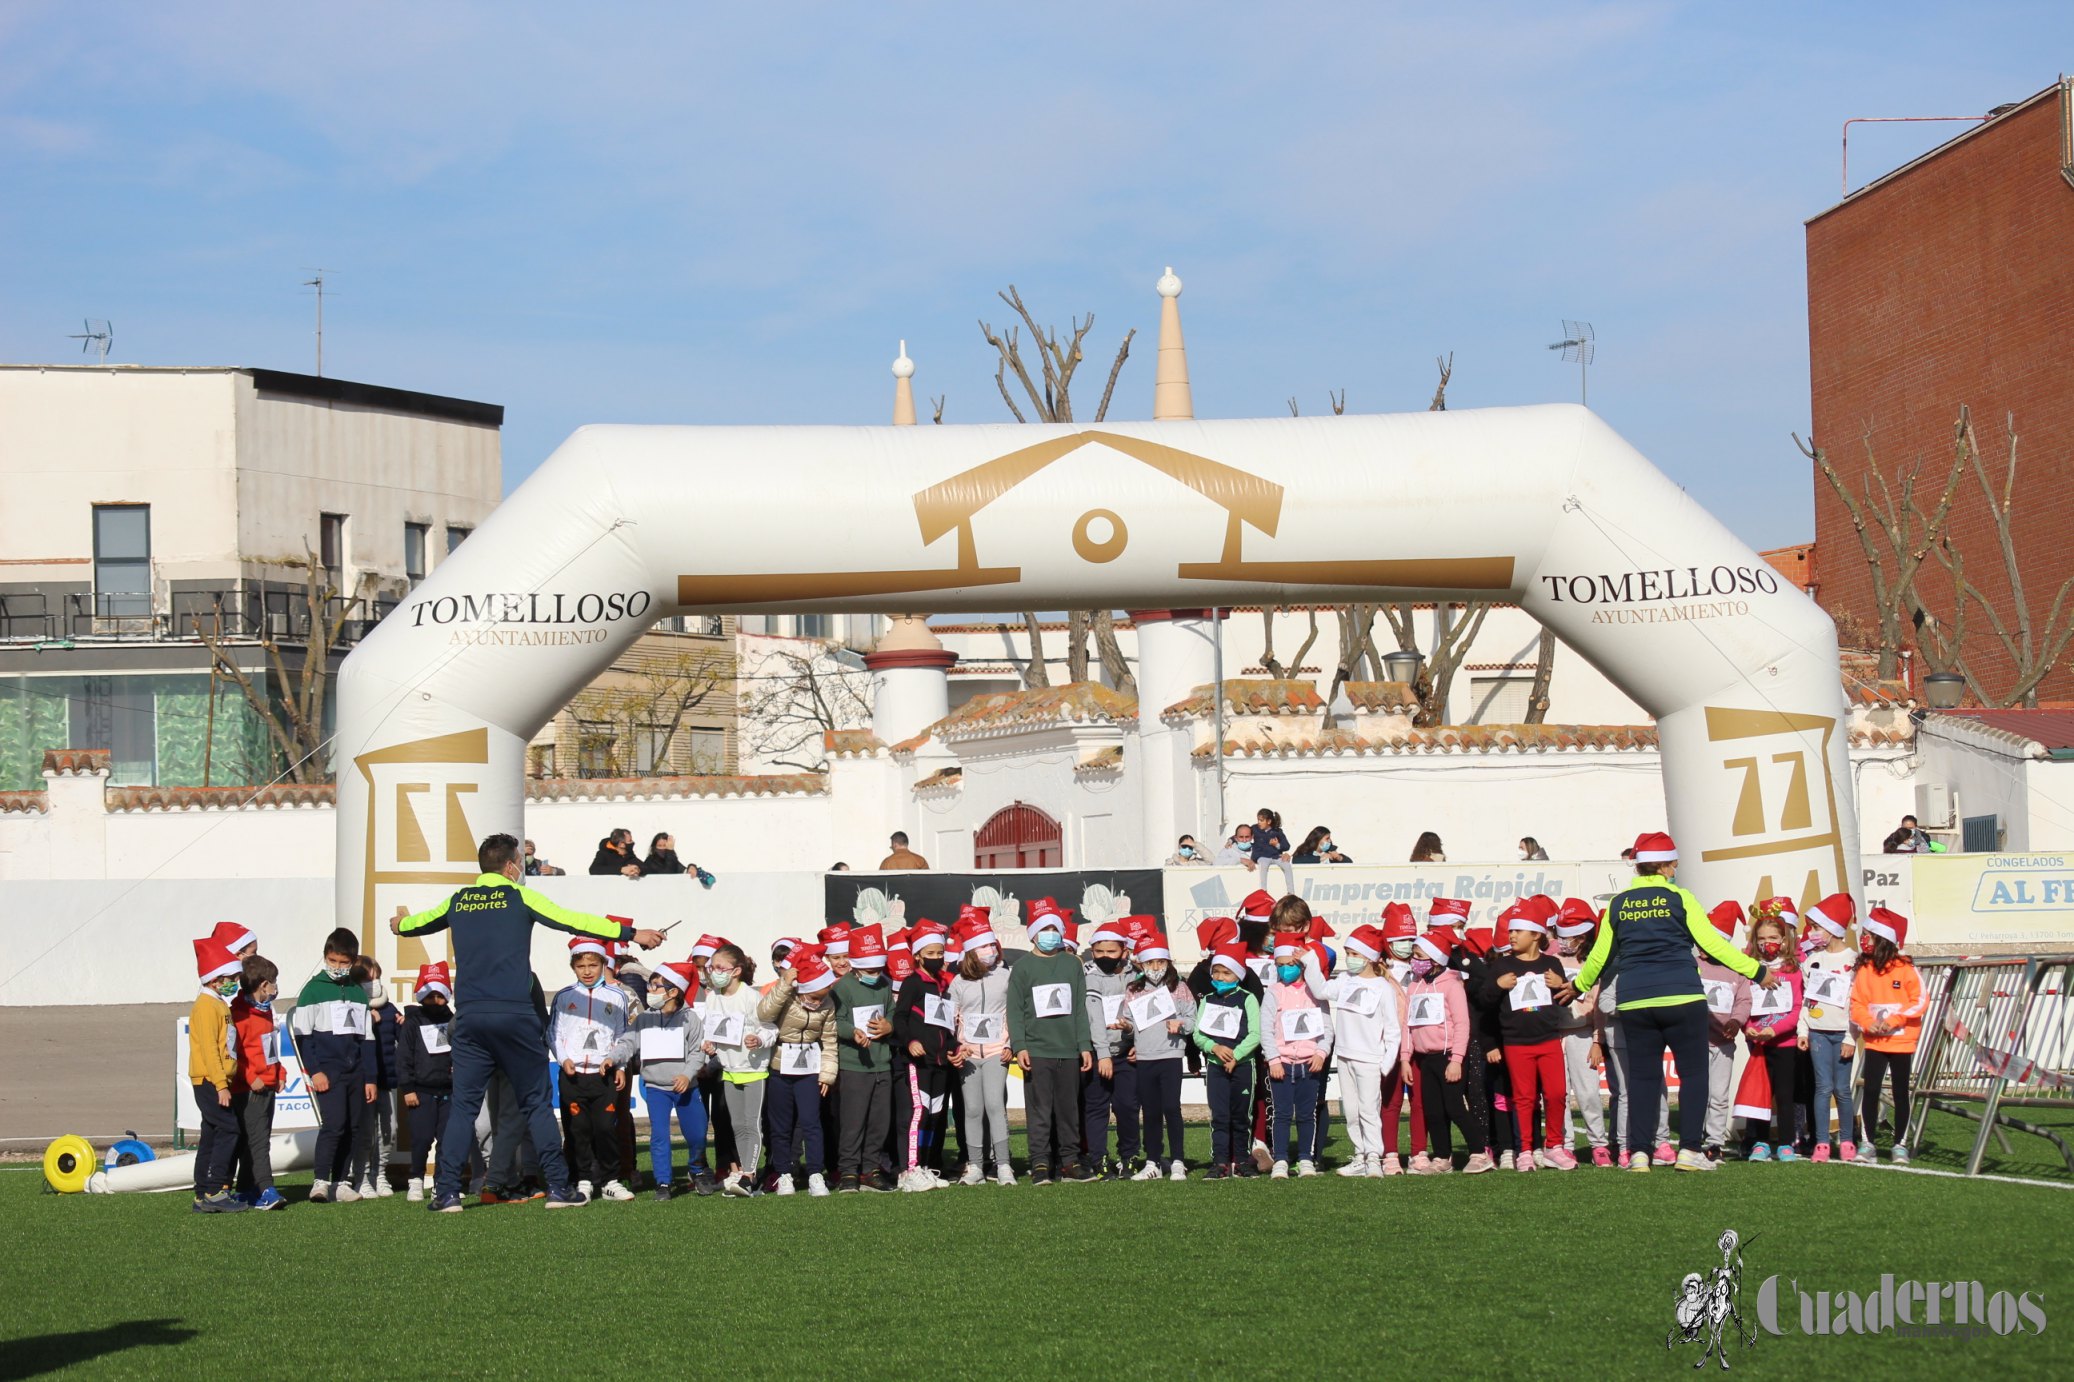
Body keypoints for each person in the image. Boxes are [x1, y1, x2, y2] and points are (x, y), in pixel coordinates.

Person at [393, 832, 665, 1212]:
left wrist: (401, 921)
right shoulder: (519, 896)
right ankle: (557, 1188)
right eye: (519, 862)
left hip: (470, 1018)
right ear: (510, 866)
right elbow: (572, 921)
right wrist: (632, 933)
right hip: (516, 1016)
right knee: (536, 1103)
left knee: (464, 1108)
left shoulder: (458, 900)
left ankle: (448, 1193)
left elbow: (408, 926)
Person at [1570, 831, 1776, 1173]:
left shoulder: (1617, 905)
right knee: (1695, 1075)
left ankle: (1638, 1154)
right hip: (1682, 996)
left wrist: (1578, 984)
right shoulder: (1681, 898)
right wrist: (1756, 971)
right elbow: (1715, 945)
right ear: (1668, 865)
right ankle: (1690, 1151)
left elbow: (1599, 957)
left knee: (1643, 1079)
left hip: (1635, 1001)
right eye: (1674, 863)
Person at [1482, 904, 1575, 1171]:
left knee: (1557, 1094)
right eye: (1510, 931)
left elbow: (1565, 999)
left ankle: (1554, 1147)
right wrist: (1498, 987)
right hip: (1516, 1042)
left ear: (1535, 935)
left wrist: (1560, 985)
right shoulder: (1502, 964)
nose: (1511, 936)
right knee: (1524, 1098)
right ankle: (1524, 1150)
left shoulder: (1551, 963)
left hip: (1548, 1040)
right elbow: (1483, 1002)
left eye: (1518, 931)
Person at [1007, 904, 1095, 1184]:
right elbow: (1015, 1010)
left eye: (1055, 929)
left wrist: (1084, 1045)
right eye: (1045, 929)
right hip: (1037, 1051)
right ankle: (1041, 1163)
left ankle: (1069, 1162)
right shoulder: (1022, 968)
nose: (1050, 934)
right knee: (1039, 1111)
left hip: (1069, 1051)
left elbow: (1080, 1008)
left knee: (1069, 1110)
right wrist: (1020, 1046)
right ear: (1033, 934)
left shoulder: (1072, 964)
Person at [291, 927, 377, 1203]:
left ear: (353, 961)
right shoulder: (313, 991)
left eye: (344, 963)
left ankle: (341, 1182)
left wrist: (370, 1077)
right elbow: (303, 1037)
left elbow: (367, 1039)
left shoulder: (357, 993)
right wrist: (315, 1071)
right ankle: (320, 1181)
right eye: (333, 961)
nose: (338, 967)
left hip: (356, 1070)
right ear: (325, 957)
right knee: (333, 1125)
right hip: (327, 1069)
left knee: (353, 1127)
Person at [550, 938, 638, 1201]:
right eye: (581, 966)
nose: (587, 971)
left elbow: (623, 1034)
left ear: (604, 964)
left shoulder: (617, 996)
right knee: (578, 1130)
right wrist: (563, 1058)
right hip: (573, 1075)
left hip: (604, 1075)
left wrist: (619, 1063)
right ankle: (583, 1180)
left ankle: (611, 1180)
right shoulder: (565, 997)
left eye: (593, 965)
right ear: (573, 968)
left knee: (605, 1128)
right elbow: (553, 1033)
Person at [1403, 926, 1487, 1174]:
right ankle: (1442, 1157)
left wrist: (1456, 1059)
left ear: (1436, 960)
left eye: (1420, 956)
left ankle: (1479, 1152)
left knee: (1455, 1107)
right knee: (1433, 1110)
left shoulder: (1452, 986)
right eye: (1414, 955)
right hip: (1424, 1058)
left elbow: (1462, 1024)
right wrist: (1405, 1058)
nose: (1414, 961)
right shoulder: (1413, 987)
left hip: (1448, 1057)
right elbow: (1407, 1025)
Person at [759, 948, 838, 1197]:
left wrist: (827, 1074)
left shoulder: (827, 1005)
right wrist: (783, 984)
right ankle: (784, 1174)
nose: (817, 1003)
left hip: (809, 1069)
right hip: (780, 1068)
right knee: (780, 1126)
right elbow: (764, 1013)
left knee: (811, 1123)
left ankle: (815, 1174)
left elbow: (830, 1041)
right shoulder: (787, 996)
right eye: (813, 997)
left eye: (821, 998)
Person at [698, 942, 775, 1197]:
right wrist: (710, 1045)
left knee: (752, 1124)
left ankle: (749, 1175)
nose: (714, 972)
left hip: (753, 1069)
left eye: (720, 967)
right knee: (737, 1124)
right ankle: (743, 1172)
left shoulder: (751, 997)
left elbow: (770, 1028)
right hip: (729, 1070)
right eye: (712, 967)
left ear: (736, 971)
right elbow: (713, 1032)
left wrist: (759, 1039)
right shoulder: (712, 998)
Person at [1326, 925, 1400, 1178]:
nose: (1350, 959)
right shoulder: (1345, 979)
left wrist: (1385, 1064)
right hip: (1344, 1055)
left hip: (1370, 1059)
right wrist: (1310, 960)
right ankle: (1359, 1155)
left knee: (1369, 1109)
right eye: (1348, 953)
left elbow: (1393, 1030)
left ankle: (1373, 1158)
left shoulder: (1383, 987)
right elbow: (1321, 990)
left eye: (1354, 953)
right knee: (1352, 1111)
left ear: (1369, 957)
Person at [892, 924, 961, 1190]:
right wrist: (910, 1041)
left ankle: (928, 1166)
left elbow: (946, 1025)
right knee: (917, 1115)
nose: (937, 957)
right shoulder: (912, 982)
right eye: (930, 952)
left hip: (941, 1063)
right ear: (918, 955)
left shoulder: (944, 984)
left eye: (940, 952)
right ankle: (908, 1170)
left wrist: (954, 1046)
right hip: (918, 1062)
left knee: (935, 1116)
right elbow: (900, 1016)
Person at [1852, 908, 1924, 1163]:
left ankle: (1900, 1145)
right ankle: (1868, 1143)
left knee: (1900, 1091)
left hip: (1902, 1041)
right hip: (1875, 1041)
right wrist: (1869, 1023)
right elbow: (1856, 1004)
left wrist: (1893, 1020)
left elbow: (1920, 1002)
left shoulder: (1906, 969)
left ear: (1882, 939)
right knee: (1870, 1089)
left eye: (1869, 935)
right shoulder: (1865, 970)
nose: (1864, 940)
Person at [1122, 929, 1194, 1181]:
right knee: (1150, 1111)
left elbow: (1193, 1019)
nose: (1155, 967)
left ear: (1168, 962)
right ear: (1140, 963)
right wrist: (1125, 1027)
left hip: (1171, 1055)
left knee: (1171, 1108)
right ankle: (1152, 1161)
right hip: (1145, 1057)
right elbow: (1130, 1022)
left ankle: (1177, 1161)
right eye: (1150, 962)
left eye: (1160, 961)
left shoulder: (1180, 987)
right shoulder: (1133, 989)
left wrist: (1181, 1025)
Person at [948, 916, 1015, 1186]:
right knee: (973, 1109)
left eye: (992, 945)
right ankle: (975, 1166)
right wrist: (955, 1046)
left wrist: (1011, 1045)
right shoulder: (958, 982)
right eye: (983, 946)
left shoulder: (1005, 977)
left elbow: (1013, 1013)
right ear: (971, 952)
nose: (990, 950)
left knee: (995, 1105)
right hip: (969, 1055)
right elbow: (950, 1018)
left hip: (998, 1052)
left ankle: (1004, 1166)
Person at [833, 923, 898, 1192]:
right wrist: (852, 1032)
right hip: (854, 1065)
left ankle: (871, 1169)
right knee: (853, 1120)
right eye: (869, 968)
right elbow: (835, 1020)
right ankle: (848, 1171)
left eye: (878, 968)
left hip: (882, 1063)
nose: (875, 973)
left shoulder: (884, 984)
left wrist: (889, 1026)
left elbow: (892, 1012)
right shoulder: (842, 988)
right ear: (855, 964)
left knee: (879, 1121)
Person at [1260, 935, 1332, 1177]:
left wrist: (1321, 1052)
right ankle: (1280, 1158)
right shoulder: (1274, 992)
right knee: (1281, 1114)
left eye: (1290, 964)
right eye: (1279, 965)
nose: (1284, 969)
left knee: (1306, 1114)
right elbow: (1266, 1029)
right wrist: (1273, 1059)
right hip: (1282, 1065)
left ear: (1302, 966)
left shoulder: (1316, 994)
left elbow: (1327, 1028)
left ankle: (1305, 1159)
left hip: (1310, 1064)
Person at [635, 961, 708, 1199]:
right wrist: (615, 1058)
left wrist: (687, 1075)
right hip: (656, 1088)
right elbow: (629, 1042)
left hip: (686, 1086)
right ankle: (663, 1183)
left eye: (656, 986)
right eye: (651, 985)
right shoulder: (645, 1017)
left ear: (673, 991)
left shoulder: (691, 1018)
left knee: (697, 1133)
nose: (651, 991)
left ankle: (696, 1171)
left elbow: (698, 1052)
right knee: (659, 1135)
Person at [187, 937, 249, 1213]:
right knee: (229, 1128)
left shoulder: (217, 1004)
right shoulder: (206, 1006)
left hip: (214, 1080)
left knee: (212, 1133)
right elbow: (211, 1050)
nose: (234, 982)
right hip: (210, 1081)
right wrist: (221, 1084)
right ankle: (214, 1189)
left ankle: (202, 1193)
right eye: (231, 977)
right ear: (215, 979)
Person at [1740, 906, 1805, 1162]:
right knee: (1759, 1092)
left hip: (1785, 1042)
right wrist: (1750, 1029)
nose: (1767, 943)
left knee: (1785, 1094)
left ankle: (1786, 1143)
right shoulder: (1750, 968)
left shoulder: (1792, 970)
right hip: (1757, 1042)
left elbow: (1797, 1008)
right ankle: (1759, 1142)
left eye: (1773, 938)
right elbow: (1743, 1001)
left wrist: (1774, 1030)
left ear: (1783, 940)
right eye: (1762, 939)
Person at [1194, 943, 1262, 1180]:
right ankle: (1220, 1162)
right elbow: (1198, 1033)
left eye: (1227, 973)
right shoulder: (1208, 1000)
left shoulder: (1247, 999)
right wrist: (1214, 1047)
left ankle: (1242, 1161)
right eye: (1217, 972)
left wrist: (1237, 1055)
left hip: (1243, 1066)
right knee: (1219, 1115)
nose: (1220, 977)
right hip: (1215, 1066)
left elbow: (1256, 1033)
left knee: (1242, 1115)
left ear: (1238, 975)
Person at [1800, 895, 1860, 1162]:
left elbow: (1856, 1003)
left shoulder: (1855, 960)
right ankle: (1822, 1143)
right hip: (1818, 1033)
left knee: (1842, 1089)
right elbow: (1806, 1000)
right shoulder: (1811, 961)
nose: (1812, 934)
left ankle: (1846, 1140)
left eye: (1817, 928)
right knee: (1822, 1087)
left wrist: (1850, 1036)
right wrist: (1803, 1031)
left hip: (1842, 1034)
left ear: (1834, 928)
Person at [1549, 900, 1609, 1166]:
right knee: (1557, 1094)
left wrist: (1598, 1041)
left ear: (1584, 936)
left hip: (1583, 1034)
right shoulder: (1550, 959)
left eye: (1570, 935)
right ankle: (1565, 1145)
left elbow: (1599, 1005)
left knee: (1588, 1093)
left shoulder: (1593, 962)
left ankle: (1599, 1145)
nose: (1564, 941)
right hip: (1553, 1036)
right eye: (1561, 934)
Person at [228, 954, 286, 1209]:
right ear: (264, 985)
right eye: (274, 983)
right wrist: (251, 1077)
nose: (275, 988)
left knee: (256, 1140)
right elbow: (234, 1054)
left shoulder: (265, 1012)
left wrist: (280, 1073)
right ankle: (266, 1189)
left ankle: (245, 1188)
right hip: (249, 1089)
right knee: (258, 1141)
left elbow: (270, 1049)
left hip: (268, 1085)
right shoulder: (238, 1015)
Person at [1696, 904, 1753, 1162]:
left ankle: (1714, 1142)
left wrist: (1736, 1021)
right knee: (1696, 1092)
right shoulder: (1692, 964)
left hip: (1723, 1044)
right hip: (1695, 1041)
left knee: (1719, 1095)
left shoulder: (1736, 969)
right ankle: (1692, 1137)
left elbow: (1744, 1001)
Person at [397, 962, 457, 1203]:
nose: (435, 1000)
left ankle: (441, 1183)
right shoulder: (413, 1022)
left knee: (446, 1139)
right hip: (420, 1091)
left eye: (439, 995)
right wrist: (408, 1088)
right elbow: (403, 1058)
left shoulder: (453, 1019)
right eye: (430, 995)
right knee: (421, 1139)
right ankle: (416, 1179)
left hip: (449, 1091)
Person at [1080, 921, 1137, 1179]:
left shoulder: (1136, 975)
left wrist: (1133, 1036)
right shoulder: (1089, 976)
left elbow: (1143, 1012)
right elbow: (1092, 1015)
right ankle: (1099, 1158)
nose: (1104, 956)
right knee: (1096, 1108)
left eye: (1110, 951)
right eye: (1099, 951)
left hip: (1127, 1054)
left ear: (1124, 951)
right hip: (1097, 1054)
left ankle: (1129, 1156)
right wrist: (1102, 1054)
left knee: (1127, 1106)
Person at [351, 954, 403, 1198]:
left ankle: (379, 1174)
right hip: (361, 1081)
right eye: (368, 979)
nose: (374, 984)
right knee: (364, 1131)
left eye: (377, 978)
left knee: (389, 1130)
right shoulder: (352, 1008)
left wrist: (405, 1024)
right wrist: (365, 1022)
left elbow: (403, 1038)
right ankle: (361, 1176)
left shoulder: (391, 1009)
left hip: (387, 1080)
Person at [1249, 808, 1295, 893]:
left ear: (1269, 821)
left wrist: (1277, 845)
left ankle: (1291, 892)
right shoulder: (1254, 829)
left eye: (1261, 820)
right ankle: (1263, 890)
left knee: (1287, 866)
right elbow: (1242, 832)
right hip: (1262, 856)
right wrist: (1231, 840)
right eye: (1258, 820)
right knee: (1263, 865)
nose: (1259, 822)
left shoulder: (1277, 831)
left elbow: (1286, 846)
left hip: (1276, 856)